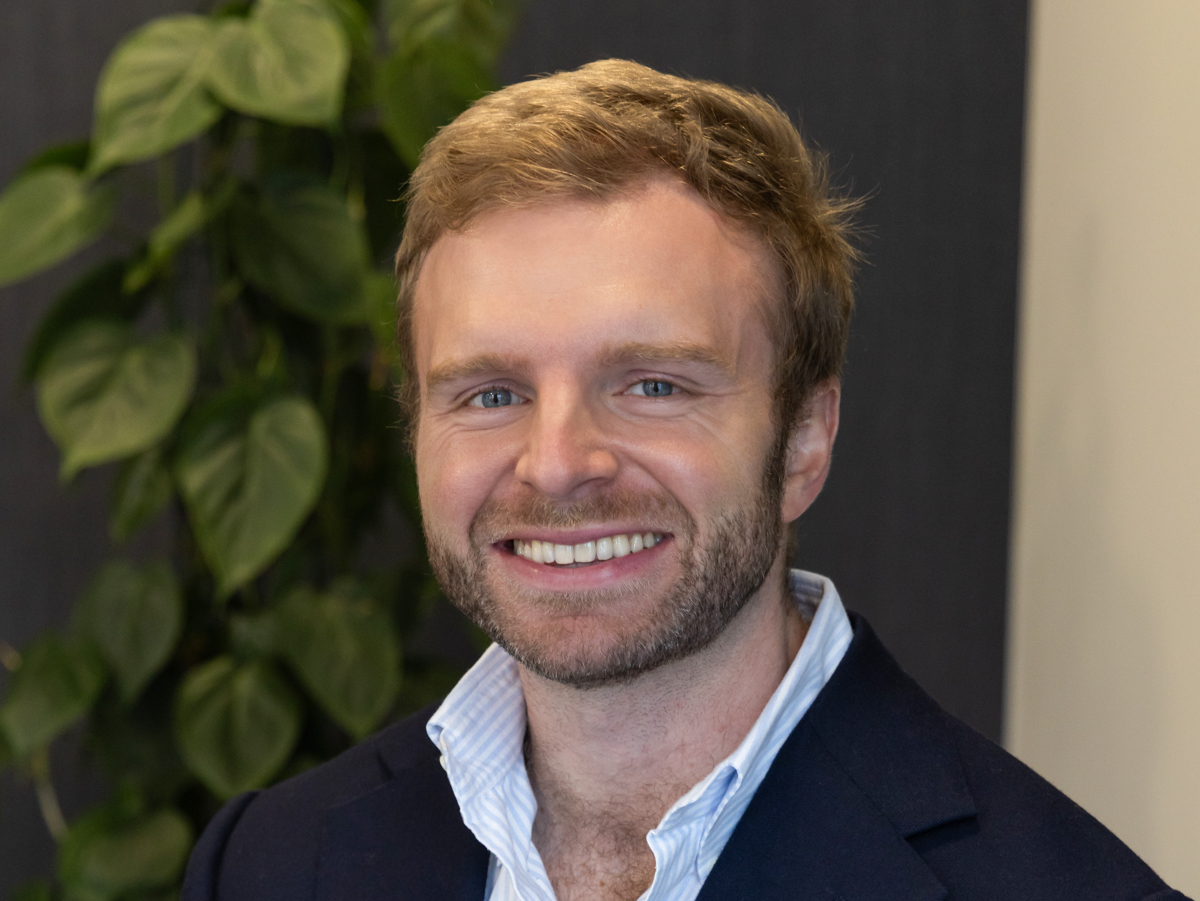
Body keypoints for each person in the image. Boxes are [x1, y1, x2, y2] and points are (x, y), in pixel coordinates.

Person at [182, 60, 1189, 901]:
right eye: (490, 393)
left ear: (804, 440)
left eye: (653, 384)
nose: (556, 463)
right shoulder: (269, 863)